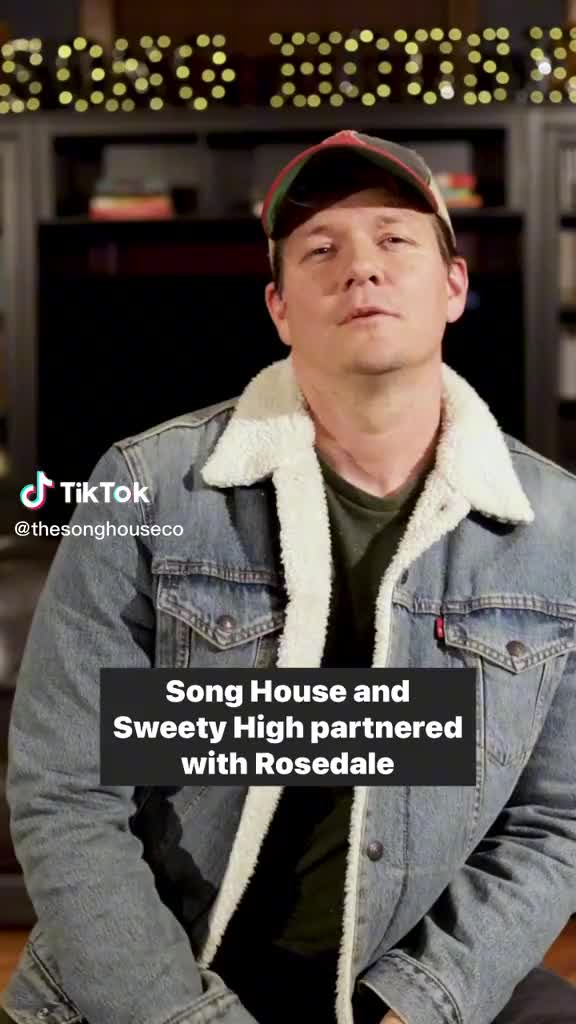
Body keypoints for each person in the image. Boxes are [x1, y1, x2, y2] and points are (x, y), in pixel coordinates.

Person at [2, 129, 576, 1024]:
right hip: (161, 980)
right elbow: (66, 793)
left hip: (410, 979)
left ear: (454, 287)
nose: (361, 267)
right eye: (320, 250)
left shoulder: (560, 527)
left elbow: (556, 822)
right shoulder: (140, 485)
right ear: (278, 308)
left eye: (395, 238)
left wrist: (424, 1004)